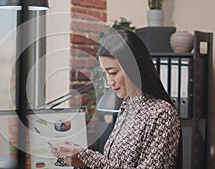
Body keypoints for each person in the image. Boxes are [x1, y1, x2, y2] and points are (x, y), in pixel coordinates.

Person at [49, 29, 182, 168]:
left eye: (113, 72)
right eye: (106, 73)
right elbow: (112, 164)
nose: (109, 81)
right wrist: (71, 158)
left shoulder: (162, 114)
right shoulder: (128, 105)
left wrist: (85, 158)